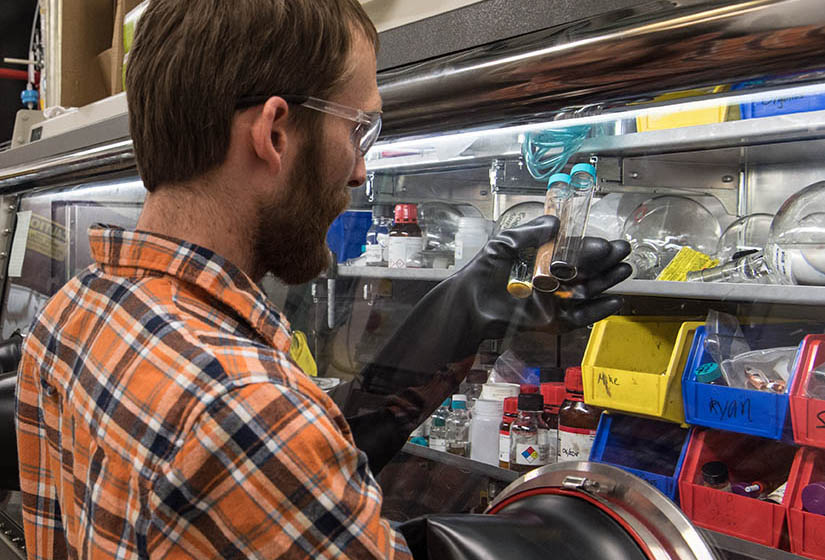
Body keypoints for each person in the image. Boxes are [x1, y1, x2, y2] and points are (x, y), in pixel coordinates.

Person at [15, 1, 631, 558]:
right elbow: (264, 437)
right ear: (275, 132)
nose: (361, 171)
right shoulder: (247, 411)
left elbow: (283, 453)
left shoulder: (76, 312)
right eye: (359, 129)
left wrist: (462, 314)